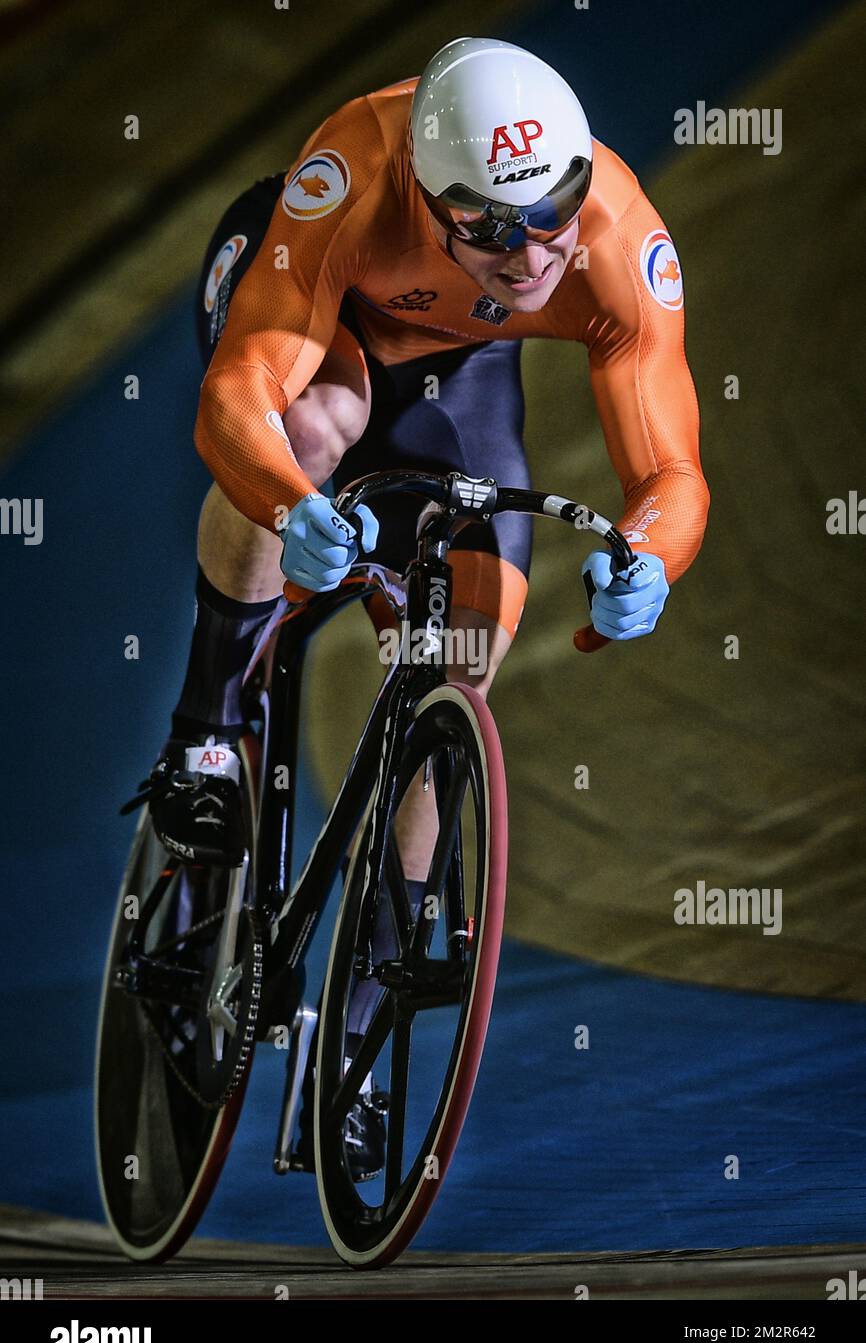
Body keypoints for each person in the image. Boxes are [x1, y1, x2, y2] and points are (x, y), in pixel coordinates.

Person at [128, 36, 709, 1175]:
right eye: (491, 227)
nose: (533, 249)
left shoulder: (612, 236)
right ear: (427, 197)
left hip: (460, 361)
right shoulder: (355, 166)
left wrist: (648, 556)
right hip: (313, 314)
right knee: (315, 429)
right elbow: (237, 390)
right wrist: (284, 497)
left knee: (464, 649)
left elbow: (670, 477)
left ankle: (355, 1022)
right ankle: (207, 734)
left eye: (550, 212)